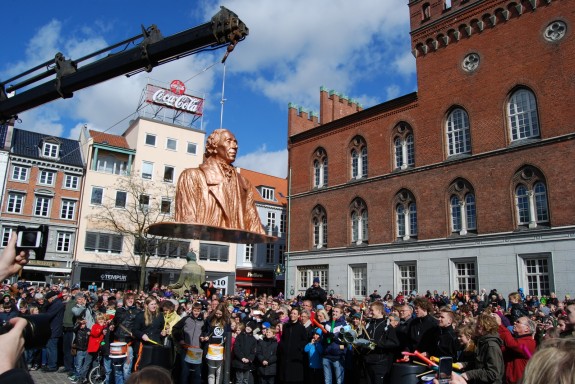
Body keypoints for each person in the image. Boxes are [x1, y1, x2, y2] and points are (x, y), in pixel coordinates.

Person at [175, 128, 265, 234]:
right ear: (215, 147)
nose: (235, 146)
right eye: (229, 141)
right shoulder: (191, 176)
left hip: (231, 242)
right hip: (201, 241)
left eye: (235, 142)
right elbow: (186, 222)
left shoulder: (245, 184)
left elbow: (255, 227)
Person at [459, 313, 504, 384]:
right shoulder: (482, 343)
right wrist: (463, 365)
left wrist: (469, 374)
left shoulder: (491, 346)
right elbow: (479, 364)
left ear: (486, 328)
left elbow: (492, 373)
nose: (475, 328)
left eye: (478, 327)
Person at [362, 301, 399, 384]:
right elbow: (364, 338)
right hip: (368, 360)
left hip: (380, 362)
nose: (370, 312)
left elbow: (394, 342)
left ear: (379, 311)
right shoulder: (369, 324)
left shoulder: (387, 325)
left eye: (372, 310)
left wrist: (377, 343)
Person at [494, 314, 536, 384]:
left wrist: (500, 325)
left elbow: (512, 344)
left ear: (526, 329)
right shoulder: (517, 339)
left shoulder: (530, 343)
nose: (514, 323)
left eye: (518, 322)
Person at [172, 301, 204, 384]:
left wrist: (203, 338)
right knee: (185, 372)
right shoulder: (186, 319)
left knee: (196, 373)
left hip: (197, 350)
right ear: (192, 310)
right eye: (195, 311)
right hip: (186, 349)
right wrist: (180, 339)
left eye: (198, 311)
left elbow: (205, 332)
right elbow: (175, 329)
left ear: (200, 311)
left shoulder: (203, 321)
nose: (196, 313)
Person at [201, 302, 232, 384]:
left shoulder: (227, 322)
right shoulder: (210, 320)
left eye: (220, 314)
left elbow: (229, 333)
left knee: (219, 372)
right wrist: (206, 336)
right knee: (211, 371)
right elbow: (206, 331)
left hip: (221, 349)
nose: (218, 315)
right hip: (211, 348)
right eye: (217, 313)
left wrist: (226, 338)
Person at [133, 297, 167, 370]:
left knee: (155, 368)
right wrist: (142, 335)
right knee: (144, 368)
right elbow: (135, 330)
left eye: (155, 304)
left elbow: (161, 329)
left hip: (156, 345)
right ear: (146, 305)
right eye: (151, 304)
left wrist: (163, 333)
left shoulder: (160, 315)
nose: (154, 306)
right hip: (144, 346)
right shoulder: (140, 315)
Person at [277, 308, 308, 384]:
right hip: (285, 357)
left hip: (295, 357)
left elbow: (304, 340)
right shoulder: (286, 326)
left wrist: (298, 348)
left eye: (295, 313)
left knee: (294, 378)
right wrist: (282, 346)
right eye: (291, 313)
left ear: (298, 316)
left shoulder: (301, 328)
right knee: (285, 378)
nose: (292, 315)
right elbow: (283, 339)